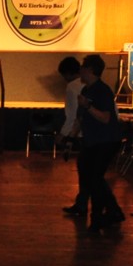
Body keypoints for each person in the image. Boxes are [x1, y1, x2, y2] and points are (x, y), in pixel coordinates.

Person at [75, 53, 125, 234]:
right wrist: (71, 136)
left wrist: (88, 106)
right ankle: (113, 211)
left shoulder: (102, 91)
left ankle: (98, 218)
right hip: (93, 141)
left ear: (89, 70)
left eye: (82, 68)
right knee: (92, 177)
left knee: (95, 178)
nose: (80, 71)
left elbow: (105, 118)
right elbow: (81, 118)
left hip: (106, 141)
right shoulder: (86, 91)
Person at [57, 55, 86, 214]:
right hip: (99, 134)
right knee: (91, 173)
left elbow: (72, 115)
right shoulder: (94, 86)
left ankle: (84, 205)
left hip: (84, 134)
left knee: (87, 172)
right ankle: (83, 204)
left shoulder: (72, 87)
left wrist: (64, 134)